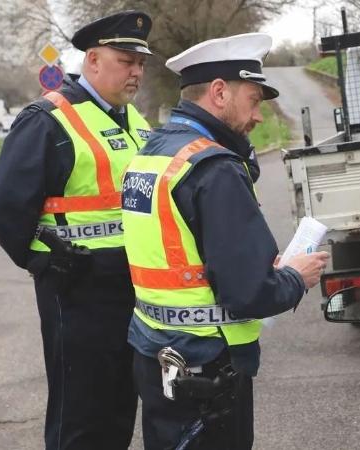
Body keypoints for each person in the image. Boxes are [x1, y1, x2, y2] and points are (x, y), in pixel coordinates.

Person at [120, 33, 329, 449]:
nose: (258, 116)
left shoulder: (152, 151)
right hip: (208, 369)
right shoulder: (214, 168)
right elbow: (249, 293)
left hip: (156, 355)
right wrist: (294, 278)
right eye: (253, 100)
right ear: (219, 92)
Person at [0, 11, 154, 450]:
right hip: (77, 292)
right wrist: (40, 260)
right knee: (80, 415)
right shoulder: (47, 119)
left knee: (119, 405)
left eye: (140, 63)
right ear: (93, 61)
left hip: (133, 288)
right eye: (125, 60)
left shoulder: (136, 121)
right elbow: (4, 207)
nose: (136, 71)